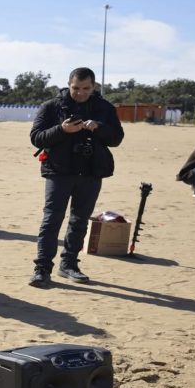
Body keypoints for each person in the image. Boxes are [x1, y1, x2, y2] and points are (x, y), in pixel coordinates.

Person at [28, 67, 124, 287]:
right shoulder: (52, 106)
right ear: (68, 84)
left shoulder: (104, 108)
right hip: (58, 171)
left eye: (86, 88)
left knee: (80, 220)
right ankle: (42, 268)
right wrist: (62, 130)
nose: (80, 93)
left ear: (93, 86)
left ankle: (69, 264)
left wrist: (99, 128)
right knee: (51, 219)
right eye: (76, 88)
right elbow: (36, 137)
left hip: (91, 172)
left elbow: (117, 138)